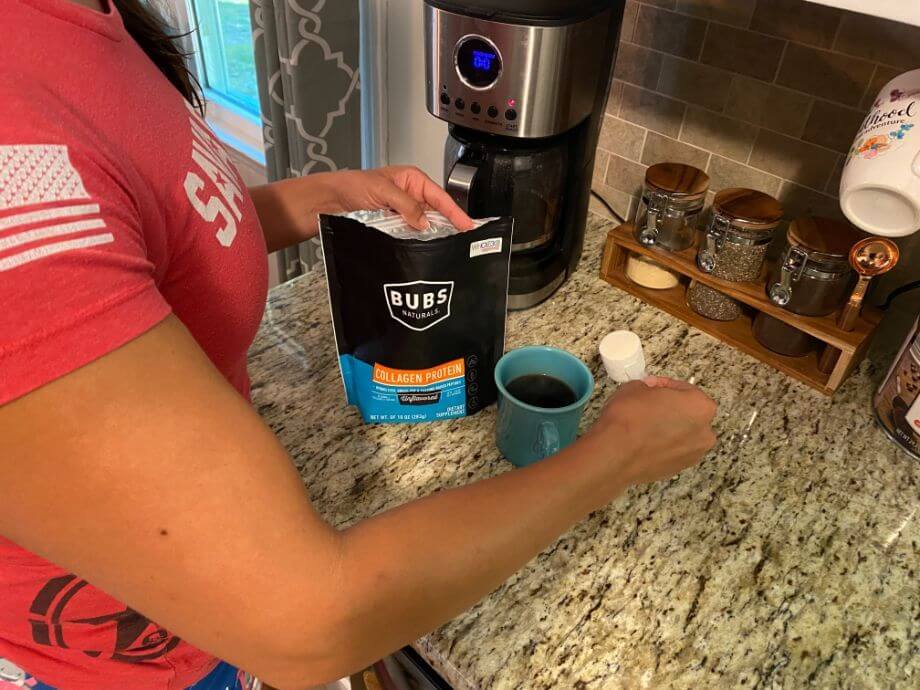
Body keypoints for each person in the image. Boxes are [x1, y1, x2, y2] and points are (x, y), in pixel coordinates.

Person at [0, 1, 718, 689]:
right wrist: (619, 452)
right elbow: (307, 623)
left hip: (201, 622)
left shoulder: (86, 24)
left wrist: (335, 195)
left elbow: (162, 220)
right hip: (120, 667)